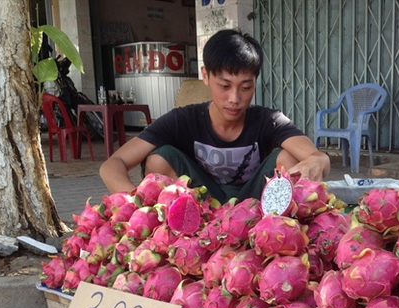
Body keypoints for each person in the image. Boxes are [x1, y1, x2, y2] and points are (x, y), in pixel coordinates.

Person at [100, 29, 330, 203]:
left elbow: (316, 157)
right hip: (200, 205)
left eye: (246, 87)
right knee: (158, 158)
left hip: (257, 206)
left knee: (288, 157)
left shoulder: (269, 121)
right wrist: (133, 202)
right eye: (224, 85)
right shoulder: (183, 120)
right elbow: (112, 164)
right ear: (206, 76)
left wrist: (319, 159)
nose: (234, 98)